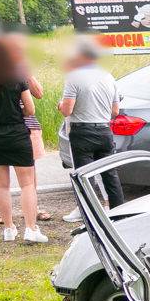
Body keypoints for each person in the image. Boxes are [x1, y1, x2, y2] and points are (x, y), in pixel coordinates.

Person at [0, 36, 47, 243]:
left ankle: (8, 228)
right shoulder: (17, 77)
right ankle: (31, 229)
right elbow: (30, 109)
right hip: (17, 134)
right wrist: (17, 113)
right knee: (27, 185)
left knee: (1, 185)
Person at [59, 37, 124, 223]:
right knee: (110, 174)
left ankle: (86, 210)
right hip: (104, 130)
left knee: (84, 175)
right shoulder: (108, 77)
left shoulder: (74, 77)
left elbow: (67, 109)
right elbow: (115, 111)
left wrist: (60, 106)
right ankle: (119, 212)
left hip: (82, 131)